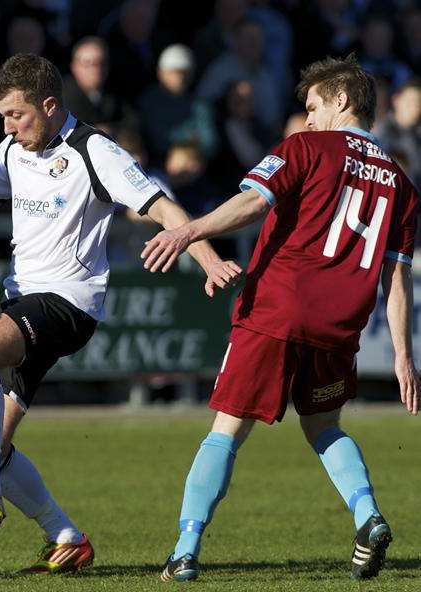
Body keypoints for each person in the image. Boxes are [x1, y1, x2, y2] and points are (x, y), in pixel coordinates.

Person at [0, 53, 241, 574]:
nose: (7, 126)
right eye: (2, 115)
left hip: (70, 303)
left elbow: (161, 206)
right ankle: (67, 537)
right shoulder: (10, 150)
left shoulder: (96, 151)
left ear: (49, 105)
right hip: (24, 299)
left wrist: (206, 257)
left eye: (16, 115)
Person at [141, 55, 420, 582]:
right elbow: (397, 281)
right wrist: (405, 355)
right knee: (324, 426)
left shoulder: (305, 147)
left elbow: (253, 203)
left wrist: (189, 231)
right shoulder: (402, 186)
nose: (309, 119)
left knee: (226, 431)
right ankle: (368, 516)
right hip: (340, 326)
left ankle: (184, 549)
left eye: (314, 107)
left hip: (277, 308)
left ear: (342, 100)